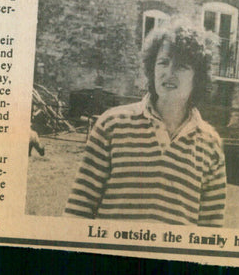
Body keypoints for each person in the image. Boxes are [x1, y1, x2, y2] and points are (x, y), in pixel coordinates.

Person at [65, 22, 226, 224]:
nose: (170, 72)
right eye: (163, 62)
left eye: (182, 66)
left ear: (198, 77)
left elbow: (210, 230)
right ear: (151, 68)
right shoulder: (112, 124)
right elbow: (78, 208)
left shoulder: (211, 144)